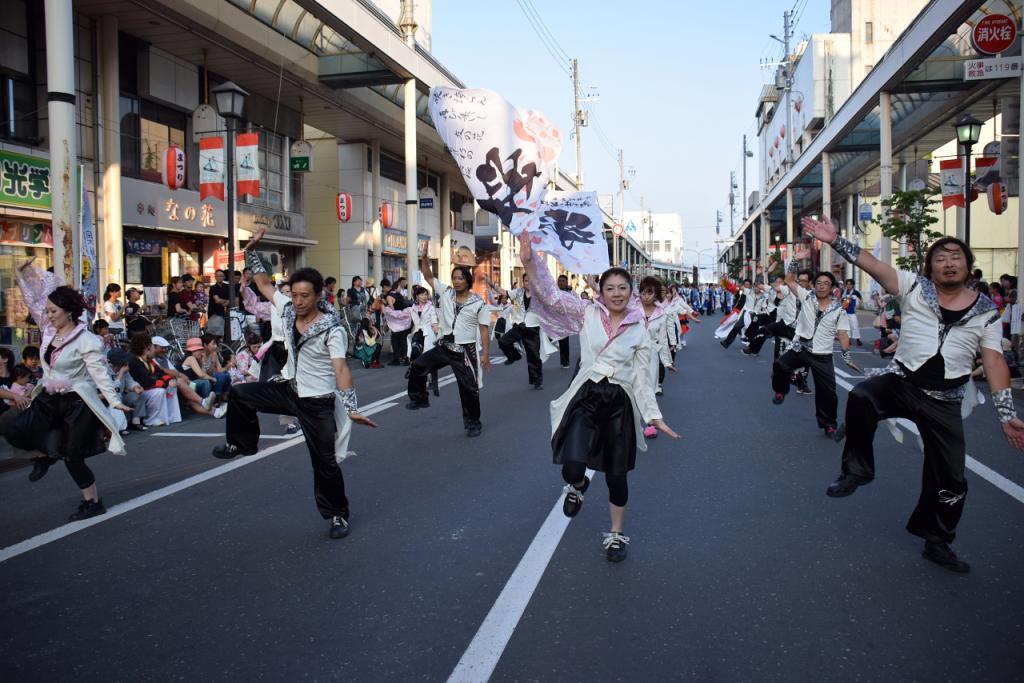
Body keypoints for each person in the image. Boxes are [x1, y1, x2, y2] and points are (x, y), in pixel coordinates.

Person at [803, 217, 1024, 573]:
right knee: (862, 396)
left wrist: (1006, 415)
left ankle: (937, 540)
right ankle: (858, 471)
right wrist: (835, 240)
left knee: (951, 481)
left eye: (956, 257)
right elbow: (874, 266)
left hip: (945, 401)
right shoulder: (914, 288)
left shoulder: (986, 311)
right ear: (929, 267)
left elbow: (994, 360)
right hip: (903, 384)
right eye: (941, 258)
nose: (948, 263)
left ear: (967, 265)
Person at [519, 232, 678, 562]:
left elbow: (643, 379)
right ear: (601, 292)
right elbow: (551, 297)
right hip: (587, 395)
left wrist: (654, 415)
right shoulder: (586, 313)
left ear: (631, 292)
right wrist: (530, 262)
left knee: (617, 476)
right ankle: (577, 486)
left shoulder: (639, 329)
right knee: (572, 464)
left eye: (622, 288)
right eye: (610, 288)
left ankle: (617, 534)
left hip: (619, 402)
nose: (616, 294)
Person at [214, 226, 378, 540]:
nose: (298, 301)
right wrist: (251, 252)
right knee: (240, 393)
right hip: (289, 389)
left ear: (318, 296)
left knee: (325, 463)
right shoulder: (288, 310)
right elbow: (263, 284)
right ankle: (243, 444)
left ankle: (338, 515)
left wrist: (351, 407)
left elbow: (341, 369)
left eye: (305, 296)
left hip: (318, 403)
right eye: (294, 295)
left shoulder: (331, 328)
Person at [7, 258, 131, 519]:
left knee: (73, 456)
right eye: (48, 311)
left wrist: (113, 400)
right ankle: (44, 455)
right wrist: (24, 273)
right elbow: (34, 299)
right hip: (49, 398)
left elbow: (99, 373)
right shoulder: (49, 331)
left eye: (54, 311)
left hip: (77, 403)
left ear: (68, 312)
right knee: (14, 428)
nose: (49, 315)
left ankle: (92, 502)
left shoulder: (87, 340)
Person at [407, 241, 491, 437]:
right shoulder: (446, 292)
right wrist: (424, 258)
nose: (456, 281)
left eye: (460, 278)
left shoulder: (478, 303)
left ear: (468, 281)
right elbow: (428, 276)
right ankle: (420, 398)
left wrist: (485, 355)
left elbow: (484, 331)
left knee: (469, 389)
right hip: (445, 346)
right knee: (418, 365)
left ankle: (474, 423)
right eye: (454, 278)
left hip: (465, 351)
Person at [770, 263, 857, 438]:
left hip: (822, 356)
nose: (821, 286)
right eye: (818, 283)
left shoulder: (839, 310)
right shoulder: (807, 296)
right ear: (813, 285)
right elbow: (789, 281)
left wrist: (847, 357)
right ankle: (781, 391)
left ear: (832, 288)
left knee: (828, 393)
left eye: (826, 283)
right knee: (780, 365)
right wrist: (794, 264)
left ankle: (828, 424)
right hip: (801, 348)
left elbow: (842, 334)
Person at [494, 273, 545, 390]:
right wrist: (492, 285)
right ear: (523, 281)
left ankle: (537, 380)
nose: (528, 283)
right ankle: (514, 356)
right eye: (526, 281)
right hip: (519, 326)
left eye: (530, 281)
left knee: (534, 356)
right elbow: (504, 292)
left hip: (532, 328)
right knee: (503, 341)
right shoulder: (518, 292)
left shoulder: (539, 294)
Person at [128, 333, 183, 427]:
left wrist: (169, 380)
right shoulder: (135, 361)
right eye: (152, 346)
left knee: (172, 387)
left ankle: (171, 416)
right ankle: (151, 419)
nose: (154, 349)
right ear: (146, 348)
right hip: (141, 389)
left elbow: (160, 372)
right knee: (159, 392)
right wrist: (165, 384)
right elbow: (145, 380)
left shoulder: (149, 360)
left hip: (151, 386)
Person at [556, 274, 575, 368]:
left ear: (566, 282)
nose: (561, 283)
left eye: (563, 281)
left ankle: (565, 361)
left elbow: (575, 302)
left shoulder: (570, 292)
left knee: (564, 341)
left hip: (565, 320)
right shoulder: (554, 291)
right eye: (559, 281)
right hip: (554, 318)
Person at [207, 269, 230, 337]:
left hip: (226, 313)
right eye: (217, 276)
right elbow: (217, 300)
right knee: (215, 335)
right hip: (215, 313)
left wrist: (225, 302)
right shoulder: (213, 288)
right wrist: (226, 301)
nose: (219, 277)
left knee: (226, 334)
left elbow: (231, 300)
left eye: (221, 276)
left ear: (224, 277)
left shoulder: (227, 286)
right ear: (215, 277)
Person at [842, 278, 864, 346]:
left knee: (855, 326)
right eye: (847, 284)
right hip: (845, 312)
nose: (848, 286)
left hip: (853, 312)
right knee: (847, 327)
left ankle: (858, 339)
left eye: (850, 284)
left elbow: (861, 299)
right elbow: (841, 301)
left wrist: (858, 306)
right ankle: (849, 340)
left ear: (853, 285)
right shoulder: (844, 292)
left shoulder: (856, 292)